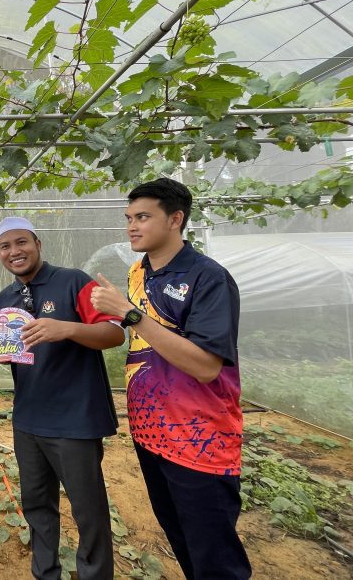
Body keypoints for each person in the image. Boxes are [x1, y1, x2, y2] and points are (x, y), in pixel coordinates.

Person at [90, 178, 251, 580]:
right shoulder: (136, 273)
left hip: (200, 440)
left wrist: (130, 314)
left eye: (143, 217)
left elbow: (206, 366)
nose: (132, 226)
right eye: (129, 218)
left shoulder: (207, 278)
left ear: (176, 219)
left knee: (214, 555)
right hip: (151, 435)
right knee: (179, 537)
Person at [0, 217, 123, 580]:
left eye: (21, 242)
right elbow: (16, 349)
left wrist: (67, 328)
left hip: (74, 420)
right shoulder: (6, 298)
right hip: (28, 419)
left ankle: (95, 574)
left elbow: (114, 334)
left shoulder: (73, 281)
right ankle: (46, 572)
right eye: (5, 247)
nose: (14, 252)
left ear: (38, 244)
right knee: (37, 506)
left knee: (88, 511)